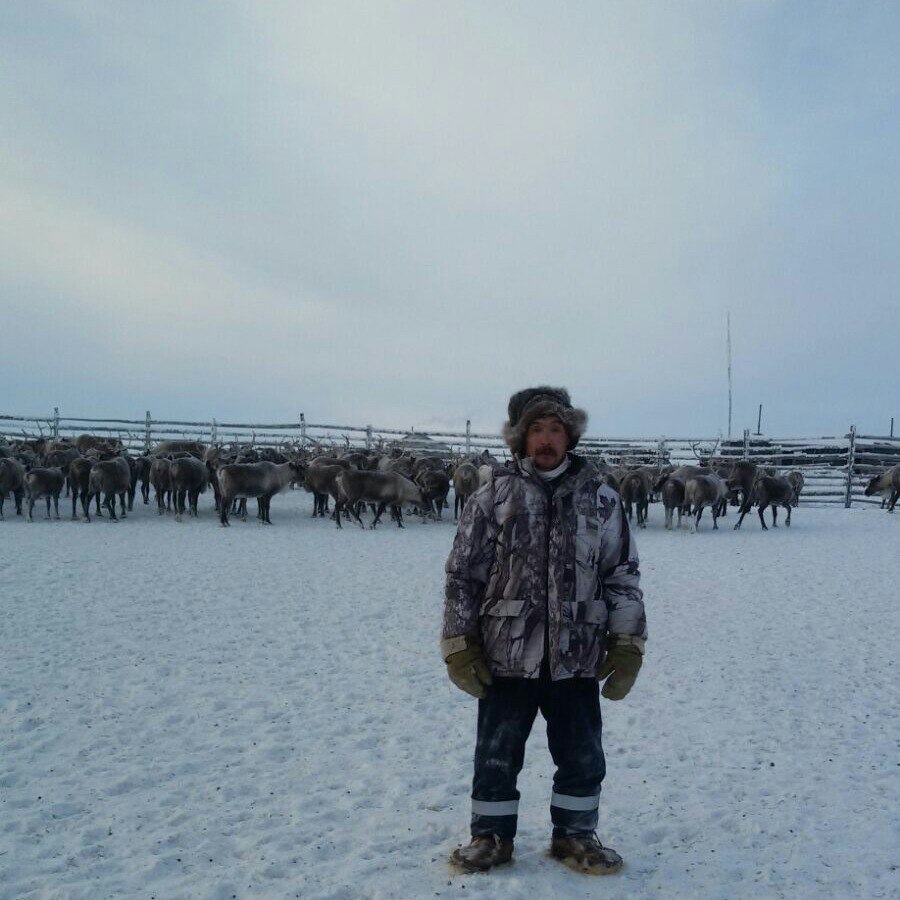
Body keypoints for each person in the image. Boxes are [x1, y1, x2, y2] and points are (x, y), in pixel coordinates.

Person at [441, 386, 647, 874]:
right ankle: (490, 836)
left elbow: (622, 574)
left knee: (581, 752)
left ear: (570, 434)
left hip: (577, 652)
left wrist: (627, 643)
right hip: (506, 650)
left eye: (556, 428)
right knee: (497, 752)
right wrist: (458, 645)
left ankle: (575, 836)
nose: (547, 439)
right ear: (520, 437)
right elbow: (462, 575)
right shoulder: (492, 496)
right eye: (536, 429)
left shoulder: (602, 499)